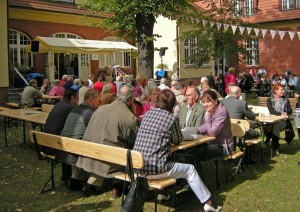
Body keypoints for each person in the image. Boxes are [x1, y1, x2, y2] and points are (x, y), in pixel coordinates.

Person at [133, 89, 221, 212]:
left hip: (138, 166)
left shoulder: (147, 115)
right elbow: (178, 139)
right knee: (190, 169)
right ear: (172, 104)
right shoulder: (170, 119)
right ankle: (209, 203)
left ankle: (163, 193)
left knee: (170, 157)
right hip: (155, 169)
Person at [76, 85, 139, 198]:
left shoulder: (100, 108)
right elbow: (135, 140)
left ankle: (97, 184)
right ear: (131, 100)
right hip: (109, 160)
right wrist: (134, 115)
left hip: (90, 154)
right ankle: (118, 187)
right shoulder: (129, 118)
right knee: (130, 150)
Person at [61, 89, 101, 195]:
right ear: (91, 100)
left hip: (66, 148)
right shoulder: (88, 112)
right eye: (99, 100)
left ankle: (76, 179)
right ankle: (92, 184)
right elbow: (99, 131)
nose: (100, 103)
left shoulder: (75, 109)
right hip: (77, 150)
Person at [43, 89, 79, 184]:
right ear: (72, 98)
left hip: (45, 142)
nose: (78, 101)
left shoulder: (58, 104)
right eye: (77, 98)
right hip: (54, 145)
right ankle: (71, 178)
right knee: (73, 144)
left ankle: (66, 175)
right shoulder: (70, 108)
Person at [221, 86, 259, 163]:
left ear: (229, 93)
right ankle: (248, 157)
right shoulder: (242, 103)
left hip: (225, 130)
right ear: (239, 94)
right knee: (255, 133)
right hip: (239, 130)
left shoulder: (222, 102)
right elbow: (251, 116)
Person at [197, 90, 234, 161]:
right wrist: (194, 131)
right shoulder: (212, 109)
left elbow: (212, 133)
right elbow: (205, 126)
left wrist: (207, 116)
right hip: (213, 143)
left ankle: (196, 171)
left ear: (216, 101)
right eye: (203, 102)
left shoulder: (222, 112)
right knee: (192, 149)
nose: (205, 105)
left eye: (208, 101)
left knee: (197, 152)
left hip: (224, 147)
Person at [266, 83, 293, 155]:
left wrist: (285, 113)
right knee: (274, 125)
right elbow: (271, 110)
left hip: (283, 122)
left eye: (283, 89)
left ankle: (272, 146)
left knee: (276, 125)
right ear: (275, 90)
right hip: (271, 121)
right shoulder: (269, 100)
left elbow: (290, 110)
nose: (283, 91)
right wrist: (280, 114)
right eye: (281, 90)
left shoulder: (286, 100)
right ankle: (276, 145)